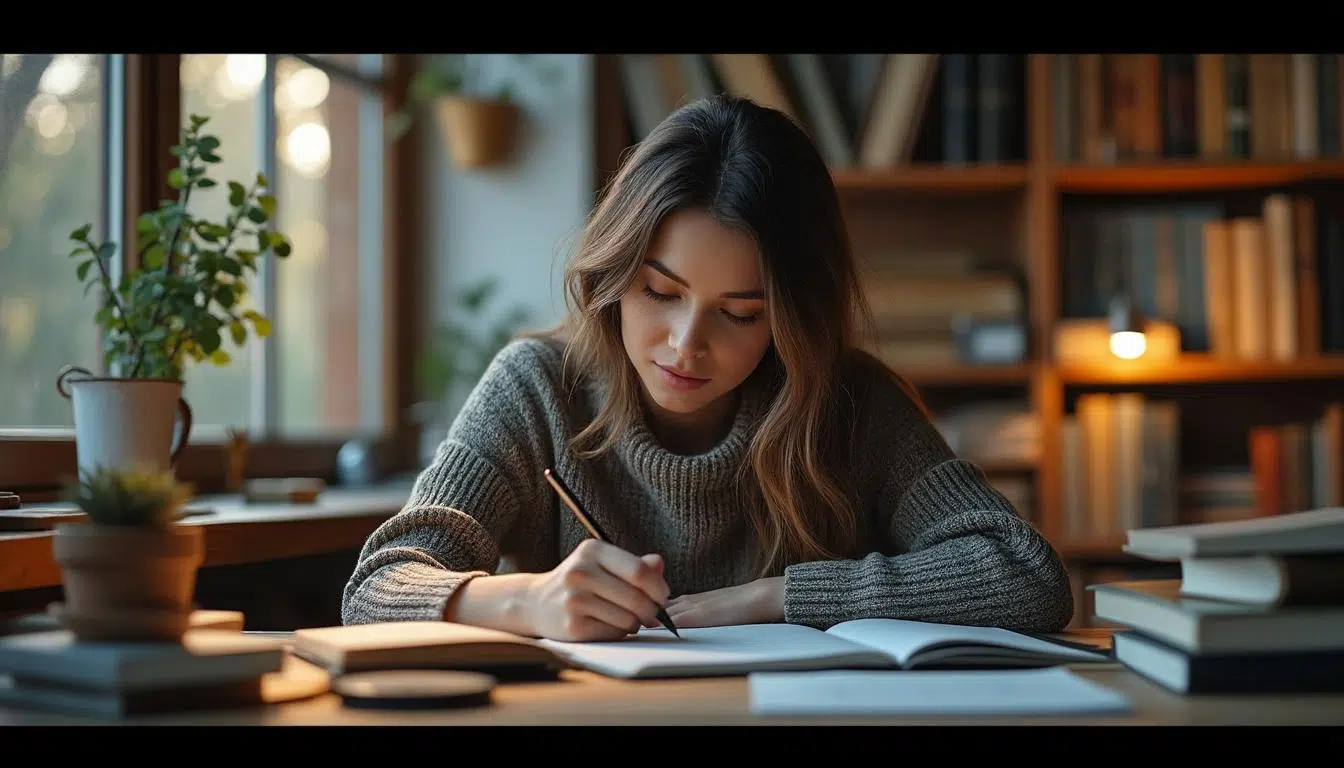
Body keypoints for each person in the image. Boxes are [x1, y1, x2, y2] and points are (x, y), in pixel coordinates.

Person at [341, 94, 1075, 641]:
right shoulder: (537, 387)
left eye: (741, 313)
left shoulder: (849, 403)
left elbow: (1026, 577)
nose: (685, 344)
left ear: (790, 320)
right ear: (615, 271)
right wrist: (525, 601)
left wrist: (781, 595)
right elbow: (377, 586)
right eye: (660, 293)